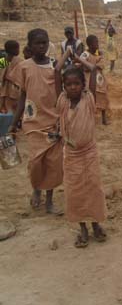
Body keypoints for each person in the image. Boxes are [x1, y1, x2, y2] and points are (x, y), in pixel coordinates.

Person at [55, 49, 107, 248]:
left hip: (89, 153)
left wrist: (78, 59)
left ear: (83, 85)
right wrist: (66, 53)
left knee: (93, 188)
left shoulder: (88, 100)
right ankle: (83, 228)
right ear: (64, 87)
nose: (73, 87)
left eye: (77, 83)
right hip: (71, 154)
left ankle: (95, 225)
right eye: (68, 84)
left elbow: (93, 69)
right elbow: (56, 70)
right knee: (75, 191)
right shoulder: (61, 102)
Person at [9, 29, 63, 214]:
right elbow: (23, 96)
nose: (42, 46)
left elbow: (61, 95)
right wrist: (13, 122)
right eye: (38, 43)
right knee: (35, 163)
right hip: (33, 124)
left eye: (45, 43)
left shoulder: (55, 67)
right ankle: (36, 190)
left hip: (53, 123)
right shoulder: (24, 67)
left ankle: (49, 200)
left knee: (54, 165)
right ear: (30, 46)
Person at [80, 35, 109, 125]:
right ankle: (89, 118)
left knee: (103, 96)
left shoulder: (98, 54)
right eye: (95, 43)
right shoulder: (85, 54)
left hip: (100, 80)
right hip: (90, 79)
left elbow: (102, 65)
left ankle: (104, 119)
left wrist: (99, 58)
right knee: (90, 97)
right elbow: (82, 65)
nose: (97, 44)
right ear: (89, 44)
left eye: (97, 42)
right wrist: (93, 66)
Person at [0, 40, 22, 113]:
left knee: (5, 109)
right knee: (13, 110)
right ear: (15, 50)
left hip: (3, 90)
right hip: (14, 91)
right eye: (18, 48)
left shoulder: (2, 60)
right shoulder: (20, 62)